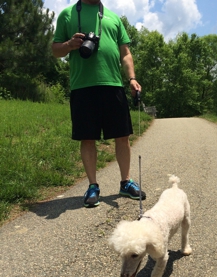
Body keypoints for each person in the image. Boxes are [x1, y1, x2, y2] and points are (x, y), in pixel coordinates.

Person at [51, 0, 146, 207]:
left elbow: (126, 52)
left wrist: (132, 78)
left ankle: (125, 182)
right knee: (87, 138)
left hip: (113, 84)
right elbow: (55, 50)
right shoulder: (67, 14)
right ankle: (93, 186)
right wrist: (69, 45)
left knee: (122, 136)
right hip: (82, 86)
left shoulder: (114, 17)